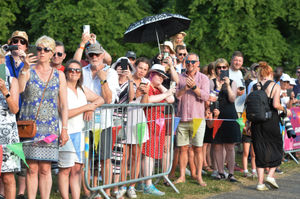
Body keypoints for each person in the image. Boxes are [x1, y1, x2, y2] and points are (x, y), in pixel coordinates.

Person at [18, 35, 69, 199]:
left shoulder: (59, 75)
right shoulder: (28, 70)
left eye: (46, 49)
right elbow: (19, 89)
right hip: (30, 126)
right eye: (39, 48)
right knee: (32, 168)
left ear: (52, 53)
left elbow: (63, 105)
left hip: (50, 128)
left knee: (45, 169)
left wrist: (65, 129)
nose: (42, 52)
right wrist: (24, 69)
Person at [58, 60, 104, 199]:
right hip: (66, 132)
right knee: (65, 169)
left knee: (78, 169)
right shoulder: (61, 89)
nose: (74, 72)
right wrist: (86, 108)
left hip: (81, 132)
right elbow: (65, 112)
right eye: (71, 70)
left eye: (77, 70)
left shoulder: (82, 89)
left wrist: (92, 107)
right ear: (66, 72)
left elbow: (100, 99)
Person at [81, 43, 119, 198]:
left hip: (103, 123)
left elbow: (109, 100)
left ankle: (107, 191)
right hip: (84, 122)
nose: (94, 57)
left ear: (103, 55)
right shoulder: (81, 72)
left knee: (105, 159)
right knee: (85, 159)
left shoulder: (111, 73)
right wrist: (89, 107)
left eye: (97, 54)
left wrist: (103, 80)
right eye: (91, 55)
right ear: (87, 56)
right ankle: (88, 192)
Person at [249, 61, 291, 191]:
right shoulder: (275, 86)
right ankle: (271, 175)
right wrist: (284, 110)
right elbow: (275, 105)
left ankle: (260, 183)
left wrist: (248, 123)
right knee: (277, 147)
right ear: (270, 73)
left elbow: (249, 106)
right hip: (271, 121)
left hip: (256, 122)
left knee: (259, 150)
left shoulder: (253, 86)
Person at [116, 57, 150, 199]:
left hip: (139, 121)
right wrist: (133, 87)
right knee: (124, 156)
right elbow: (130, 99)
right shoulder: (126, 79)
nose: (141, 71)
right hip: (125, 120)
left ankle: (132, 186)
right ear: (135, 66)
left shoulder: (146, 82)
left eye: (145, 69)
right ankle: (122, 185)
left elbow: (144, 105)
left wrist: (145, 92)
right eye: (140, 67)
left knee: (136, 156)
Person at [174, 53, 210, 186]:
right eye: (188, 61)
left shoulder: (204, 78)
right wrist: (185, 88)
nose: (190, 64)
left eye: (193, 62)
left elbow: (206, 97)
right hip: (182, 118)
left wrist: (195, 88)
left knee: (198, 149)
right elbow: (176, 95)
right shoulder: (179, 77)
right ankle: (182, 176)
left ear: (198, 63)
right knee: (183, 149)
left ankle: (199, 176)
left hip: (197, 119)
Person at [141, 64, 175, 196]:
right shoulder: (146, 84)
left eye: (163, 76)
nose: (161, 78)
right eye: (158, 75)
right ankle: (147, 184)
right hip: (148, 122)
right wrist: (165, 93)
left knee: (151, 154)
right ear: (151, 74)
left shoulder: (158, 87)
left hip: (158, 125)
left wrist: (161, 87)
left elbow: (171, 99)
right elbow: (148, 100)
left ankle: (145, 182)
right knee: (148, 154)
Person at [210, 58, 241, 182]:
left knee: (230, 146)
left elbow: (233, 99)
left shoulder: (232, 82)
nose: (222, 70)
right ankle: (220, 171)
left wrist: (227, 85)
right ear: (215, 69)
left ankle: (231, 173)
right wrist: (218, 87)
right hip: (217, 114)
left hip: (230, 114)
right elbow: (211, 98)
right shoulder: (211, 82)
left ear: (227, 68)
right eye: (219, 67)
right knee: (217, 145)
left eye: (224, 67)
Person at [0, 47, 20, 199]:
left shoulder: (13, 81)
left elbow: (14, 109)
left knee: (8, 177)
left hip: (10, 134)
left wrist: (4, 90)